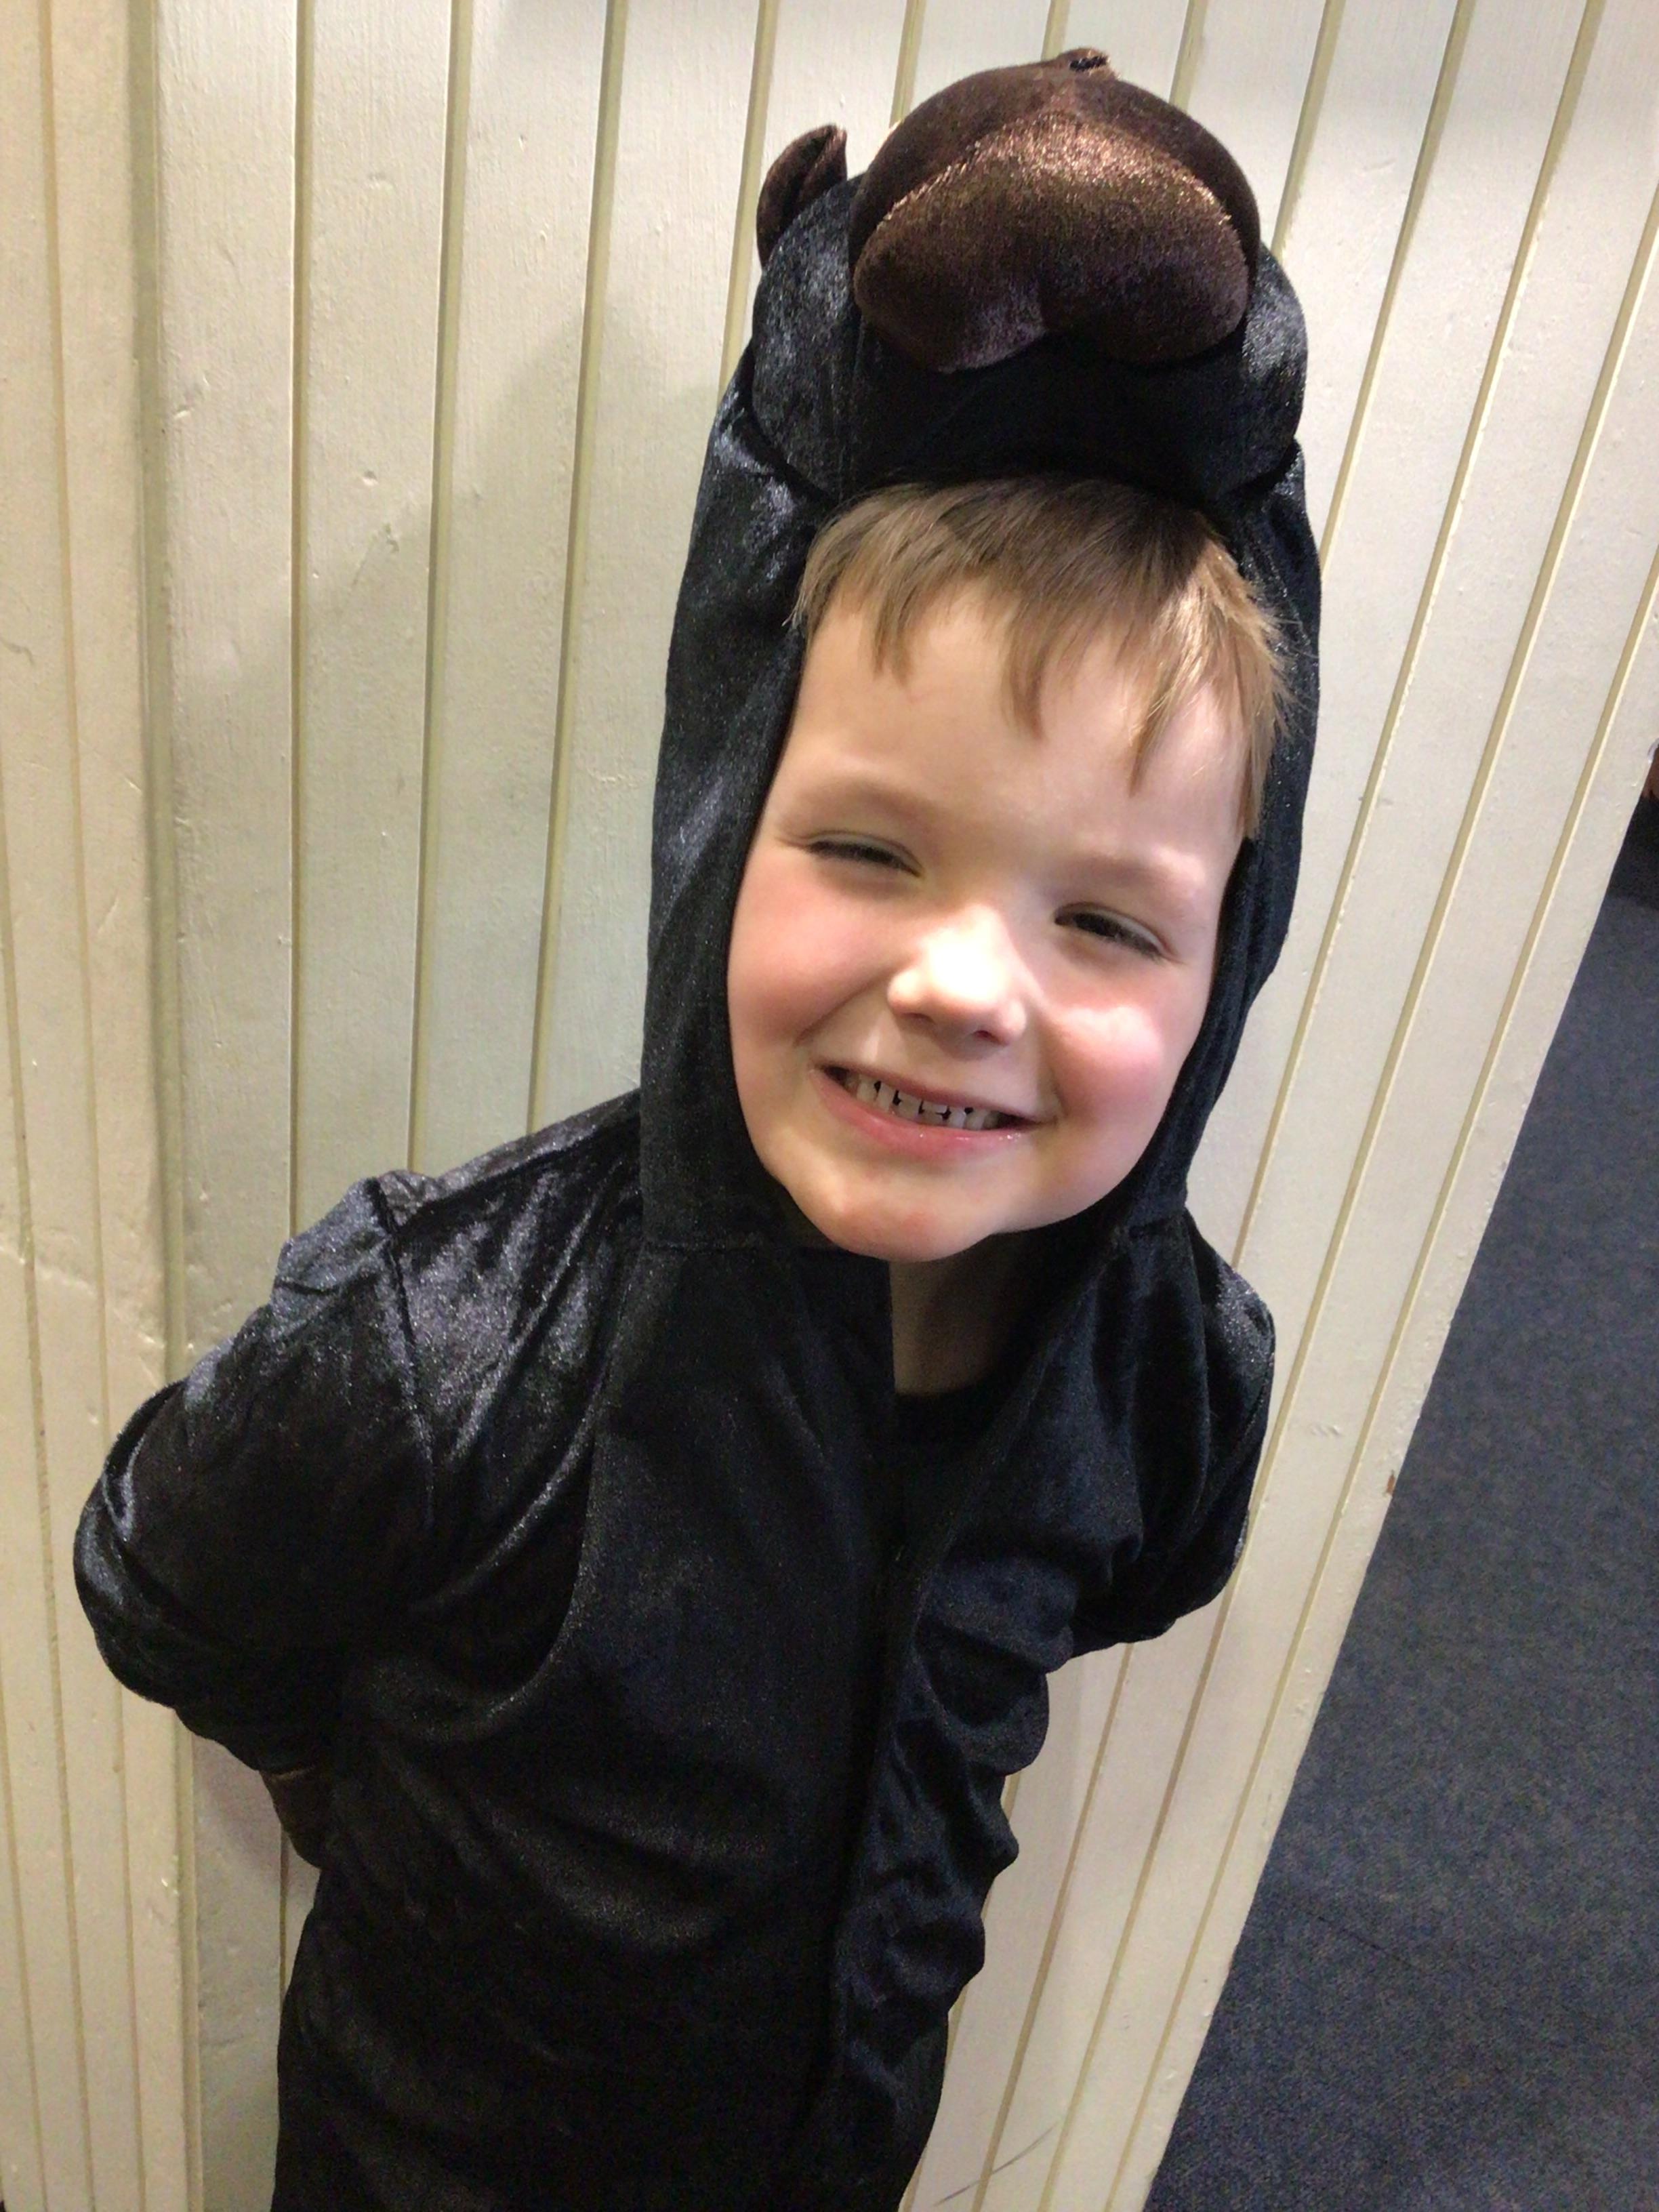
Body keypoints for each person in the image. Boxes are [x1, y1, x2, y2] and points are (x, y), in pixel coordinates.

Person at [75, 50, 1319, 2212]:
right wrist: (337, 1788)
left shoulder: (1169, 1385)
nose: (967, 984)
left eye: (1110, 918)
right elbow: (169, 1585)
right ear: (725, 823)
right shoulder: (433, 1346)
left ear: (1228, 956)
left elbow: (1126, 1580)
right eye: (871, 849)